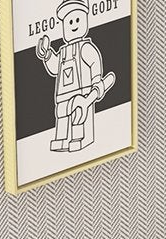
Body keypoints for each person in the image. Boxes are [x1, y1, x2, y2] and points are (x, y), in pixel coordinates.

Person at [36, 0, 117, 154]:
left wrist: (96, 82)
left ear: (85, 19)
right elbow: (55, 69)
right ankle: (61, 139)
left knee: (79, 117)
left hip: (83, 92)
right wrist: (47, 55)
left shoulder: (86, 48)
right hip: (63, 95)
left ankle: (80, 138)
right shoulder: (63, 52)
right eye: (69, 21)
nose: (73, 24)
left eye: (77, 20)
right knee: (61, 114)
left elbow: (95, 63)